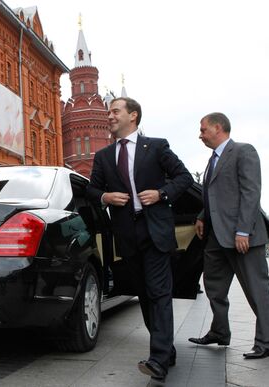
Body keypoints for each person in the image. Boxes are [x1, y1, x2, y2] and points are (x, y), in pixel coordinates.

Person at [87, 97, 193, 382]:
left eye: (114, 111)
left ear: (132, 116)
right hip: (127, 234)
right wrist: (106, 197)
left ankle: (157, 358)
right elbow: (92, 190)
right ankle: (166, 349)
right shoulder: (104, 156)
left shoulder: (157, 146)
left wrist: (162, 193)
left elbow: (183, 177)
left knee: (159, 293)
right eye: (109, 111)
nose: (109, 115)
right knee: (145, 294)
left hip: (155, 230)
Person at [188, 112, 269, 359]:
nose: (200, 135)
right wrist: (202, 215)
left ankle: (266, 342)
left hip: (242, 236)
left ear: (218, 128)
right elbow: (216, 195)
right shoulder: (212, 160)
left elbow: (251, 192)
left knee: (257, 290)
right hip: (217, 237)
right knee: (214, 287)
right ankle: (219, 332)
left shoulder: (243, 151)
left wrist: (242, 231)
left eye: (203, 130)